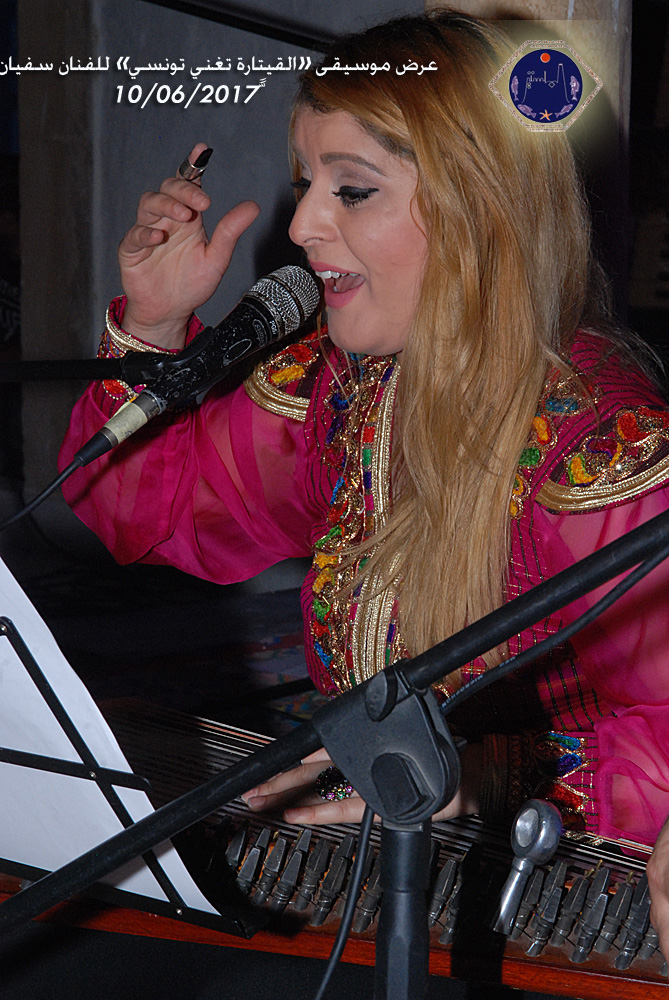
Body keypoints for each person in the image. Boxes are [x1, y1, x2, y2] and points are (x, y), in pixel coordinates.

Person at [59, 7, 669, 943]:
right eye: (307, 185)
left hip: (565, 892)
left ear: (479, 209)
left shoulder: (597, 453)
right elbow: (153, 512)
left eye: (352, 190)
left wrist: (488, 775)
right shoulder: (344, 390)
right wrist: (151, 325)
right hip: (385, 843)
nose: (303, 224)